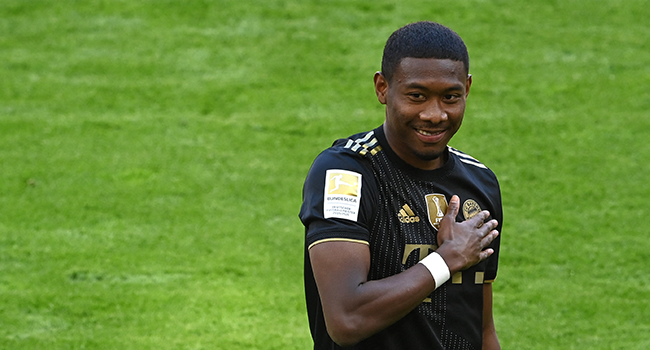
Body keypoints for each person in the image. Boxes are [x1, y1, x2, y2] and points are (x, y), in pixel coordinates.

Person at [299, 21, 503, 350]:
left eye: (450, 97)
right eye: (417, 96)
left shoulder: (479, 183)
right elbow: (347, 319)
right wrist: (445, 260)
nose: (435, 114)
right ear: (383, 88)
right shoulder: (346, 175)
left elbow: (481, 328)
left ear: (467, 88)